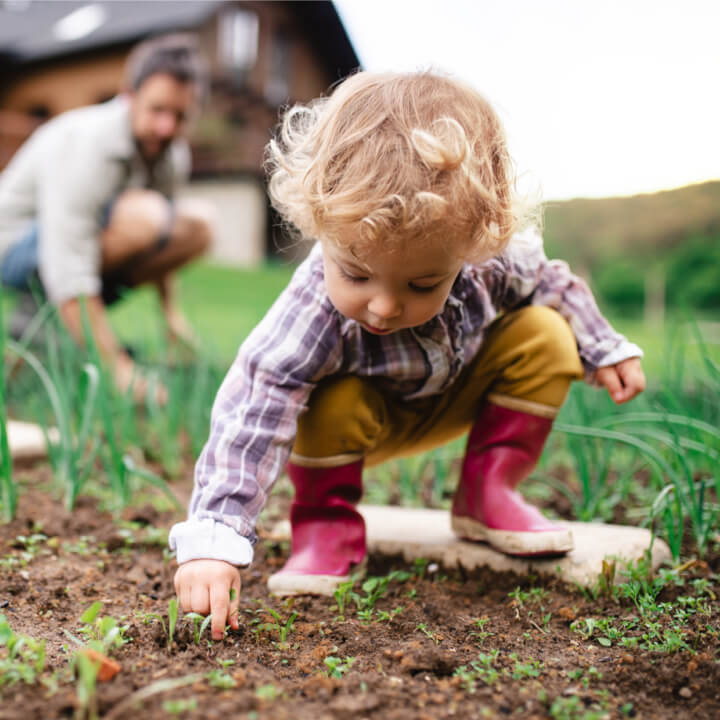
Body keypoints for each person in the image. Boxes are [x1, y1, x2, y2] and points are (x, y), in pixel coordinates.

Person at [170, 71, 646, 640]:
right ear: (321, 227)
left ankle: (487, 492)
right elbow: (255, 402)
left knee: (546, 331)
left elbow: (554, 283)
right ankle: (325, 524)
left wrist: (602, 346)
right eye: (356, 273)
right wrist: (215, 538)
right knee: (321, 395)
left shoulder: (489, 260)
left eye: (423, 284)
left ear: (471, 246)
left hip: (455, 394)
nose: (384, 305)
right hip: (358, 425)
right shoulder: (312, 307)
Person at [0, 34, 214, 401]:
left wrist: (171, 318)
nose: (166, 128)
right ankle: (39, 326)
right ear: (129, 95)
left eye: (180, 116)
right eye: (157, 110)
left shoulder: (171, 152)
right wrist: (117, 368)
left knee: (198, 226)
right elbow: (68, 260)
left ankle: (52, 329)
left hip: (75, 247)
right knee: (146, 216)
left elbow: (164, 239)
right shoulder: (87, 144)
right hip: (13, 247)